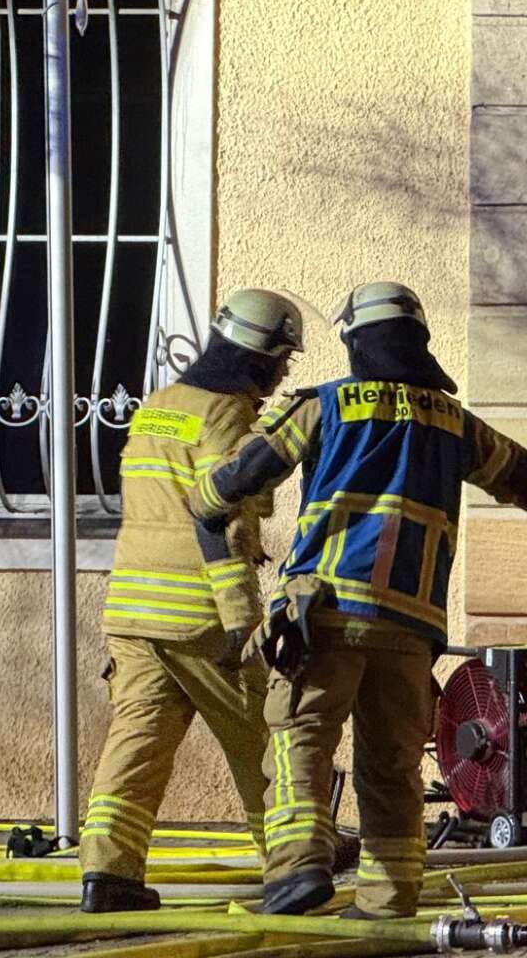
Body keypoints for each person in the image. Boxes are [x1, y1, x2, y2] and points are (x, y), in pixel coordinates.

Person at [194, 281, 527, 918]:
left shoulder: (324, 407)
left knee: (300, 739)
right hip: (408, 625)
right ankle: (388, 899)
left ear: (354, 343)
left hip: (325, 616)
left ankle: (296, 871)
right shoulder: (454, 422)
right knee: (393, 766)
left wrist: (206, 504)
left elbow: (237, 477)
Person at [77, 288, 305, 913]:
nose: (285, 372)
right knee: (263, 739)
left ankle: (108, 874)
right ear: (261, 355)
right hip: (200, 615)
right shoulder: (224, 412)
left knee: (137, 743)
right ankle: (291, 863)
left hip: (132, 611)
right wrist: (242, 621)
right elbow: (222, 517)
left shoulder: (158, 406)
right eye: (283, 358)